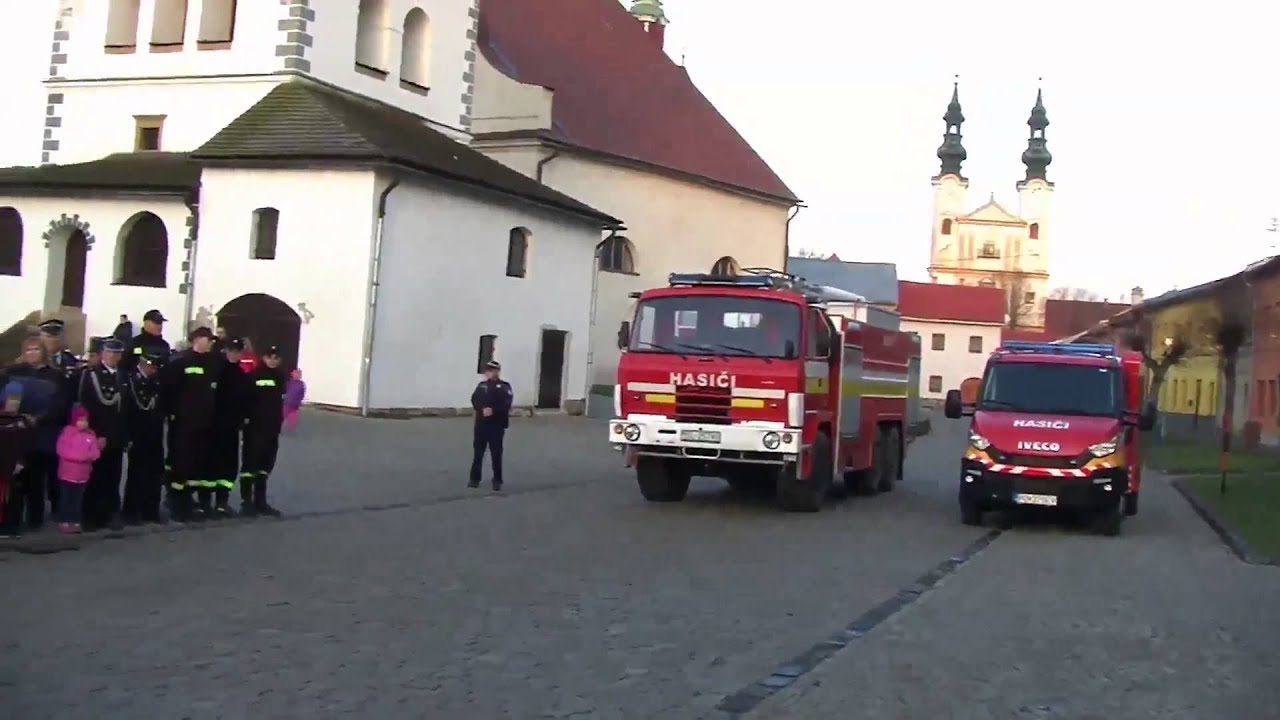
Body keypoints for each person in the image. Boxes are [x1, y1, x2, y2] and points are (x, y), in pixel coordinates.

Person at [0, 337, 66, 532]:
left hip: (42, 434)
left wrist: (39, 418)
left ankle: (35, 519)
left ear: (43, 352)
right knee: (15, 478)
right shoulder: (12, 373)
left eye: (36, 349)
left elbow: (60, 405)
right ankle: (12, 521)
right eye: (28, 350)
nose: (32, 353)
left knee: (37, 479)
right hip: (15, 434)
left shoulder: (55, 376)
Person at [162, 326, 221, 521]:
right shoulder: (182, 362)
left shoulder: (213, 364)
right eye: (208, 339)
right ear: (197, 340)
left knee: (196, 462)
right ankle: (176, 501)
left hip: (204, 423)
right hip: (183, 423)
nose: (211, 343)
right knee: (181, 462)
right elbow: (170, 390)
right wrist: (172, 414)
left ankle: (190, 500)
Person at [78, 337, 128, 531]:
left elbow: (125, 409)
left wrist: (124, 435)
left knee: (113, 476)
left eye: (117, 353)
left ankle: (110, 513)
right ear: (102, 354)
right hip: (98, 433)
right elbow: (86, 405)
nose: (113, 356)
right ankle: (91, 516)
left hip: (117, 435)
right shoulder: (91, 375)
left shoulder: (123, 376)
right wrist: (95, 434)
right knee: (95, 477)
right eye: (110, 352)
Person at [241, 346, 287, 516]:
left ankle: (261, 501)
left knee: (265, 466)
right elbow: (246, 401)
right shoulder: (254, 376)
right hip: (255, 428)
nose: (273, 360)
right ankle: (246, 502)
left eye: (276, 357)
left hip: (272, 428)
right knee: (250, 466)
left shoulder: (281, 377)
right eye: (270, 357)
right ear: (263, 357)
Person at [121, 350, 166, 524]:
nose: (154, 369)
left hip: (154, 433)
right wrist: (127, 435)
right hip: (137, 432)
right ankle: (132, 511)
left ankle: (151, 510)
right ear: (144, 363)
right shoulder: (132, 381)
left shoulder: (156, 381)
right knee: (137, 474)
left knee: (155, 473)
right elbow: (127, 409)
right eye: (152, 366)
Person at [209, 337, 250, 516]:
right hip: (214, 426)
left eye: (238, 351)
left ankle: (221, 501)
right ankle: (204, 503)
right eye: (232, 350)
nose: (235, 354)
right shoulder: (216, 370)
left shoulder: (241, 375)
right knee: (210, 464)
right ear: (226, 350)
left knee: (229, 466)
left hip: (232, 428)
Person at [54, 404, 99, 534]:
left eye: (85, 420)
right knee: (66, 499)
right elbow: (62, 450)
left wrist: (88, 456)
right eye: (80, 420)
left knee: (77, 500)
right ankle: (64, 520)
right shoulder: (67, 433)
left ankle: (75, 521)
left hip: (82, 476)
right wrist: (81, 457)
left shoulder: (90, 435)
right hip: (67, 474)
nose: (83, 423)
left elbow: (95, 452)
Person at [469, 360, 513, 492]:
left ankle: (497, 480)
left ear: (497, 371)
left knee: (496, 453)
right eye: (487, 370)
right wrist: (481, 408)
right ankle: (474, 479)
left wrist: (494, 410)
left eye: (491, 370)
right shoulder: (482, 385)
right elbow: (474, 399)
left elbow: (507, 403)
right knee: (478, 452)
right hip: (481, 424)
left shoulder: (504, 386)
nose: (488, 373)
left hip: (496, 425)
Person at [0, 382, 36, 538]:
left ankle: (13, 527)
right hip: (2, 466)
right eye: (11, 398)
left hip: (18, 466)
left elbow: (28, 443)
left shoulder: (24, 421)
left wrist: (21, 462)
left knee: (16, 497)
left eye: (17, 398)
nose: (14, 401)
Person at [123, 309, 171, 373]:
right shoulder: (135, 343)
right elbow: (124, 366)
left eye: (160, 323)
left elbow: (167, 367)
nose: (159, 326)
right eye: (156, 323)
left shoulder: (164, 345)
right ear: (146, 323)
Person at [283, 368, 305, 433]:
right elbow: (286, 390)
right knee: (283, 414)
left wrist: (299, 402)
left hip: (294, 404)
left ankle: (289, 429)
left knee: (292, 417)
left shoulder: (301, 384)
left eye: (298, 374)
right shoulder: (289, 382)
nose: (296, 375)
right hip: (287, 402)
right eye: (295, 373)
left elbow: (301, 394)